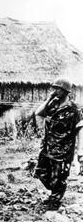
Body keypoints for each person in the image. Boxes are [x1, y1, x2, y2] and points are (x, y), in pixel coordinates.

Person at [34, 78, 83, 210]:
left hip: (63, 150)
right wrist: (49, 98)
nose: (54, 91)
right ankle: (55, 193)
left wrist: (80, 153)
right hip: (47, 147)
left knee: (59, 178)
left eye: (57, 88)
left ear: (65, 91)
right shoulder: (52, 104)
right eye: (53, 88)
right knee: (41, 172)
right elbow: (38, 113)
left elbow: (80, 130)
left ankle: (55, 202)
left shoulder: (74, 110)